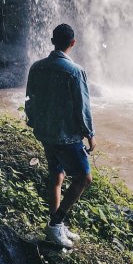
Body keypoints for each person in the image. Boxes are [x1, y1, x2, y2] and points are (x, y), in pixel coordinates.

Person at [25, 23, 95, 249]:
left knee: (57, 176)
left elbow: (30, 99)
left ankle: (57, 226)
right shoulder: (76, 71)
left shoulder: (36, 67)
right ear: (72, 43)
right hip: (67, 137)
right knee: (84, 177)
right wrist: (90, 134)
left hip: (46, 133)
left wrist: (34, 122)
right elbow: (82, 107)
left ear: (52, 40)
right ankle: (56, 224)